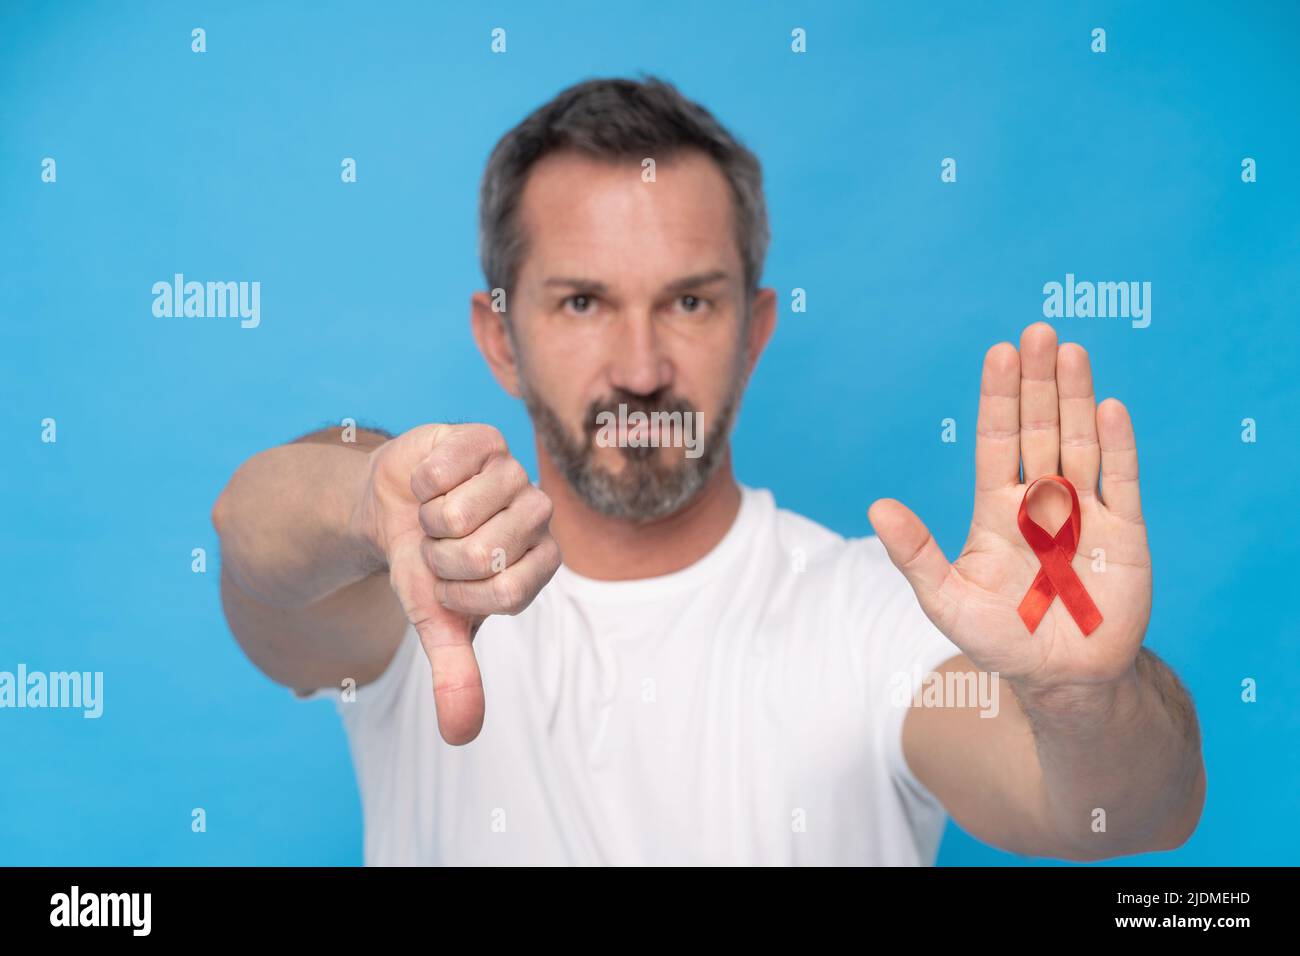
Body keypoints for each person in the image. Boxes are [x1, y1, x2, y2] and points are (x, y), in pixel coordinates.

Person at [211, 76, 1205, 865]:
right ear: (500, 337)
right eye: (581, 303)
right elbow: (251, 541)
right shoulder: (417, 597)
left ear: (754, 330)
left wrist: (1083, 703)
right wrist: (364, 496)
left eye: (688, 303)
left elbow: (1119, 815)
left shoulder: (883, 615)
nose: (641, 371)